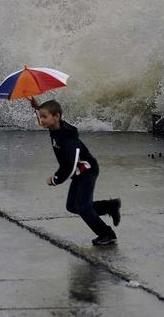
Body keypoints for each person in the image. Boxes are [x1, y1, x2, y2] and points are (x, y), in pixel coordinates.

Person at [29, 97, 121, 246]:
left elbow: (70, 165)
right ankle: (110, 206)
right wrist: (37, 108)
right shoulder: (55, 127)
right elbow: (48, 117)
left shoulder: (68, 139)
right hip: (79, 173)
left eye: (44, 117)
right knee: (72, 206)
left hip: (87, 171)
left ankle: (107, 234)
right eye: (41, 116)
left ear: (57, 117)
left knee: (83, 208)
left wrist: (55, 179)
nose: (41, 120)